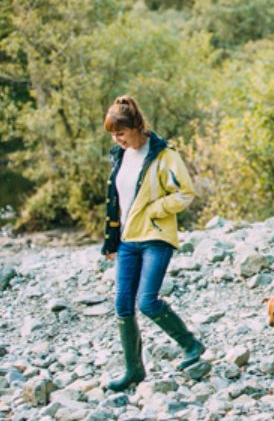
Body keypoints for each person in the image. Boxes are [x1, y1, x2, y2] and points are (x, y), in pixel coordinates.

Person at [101, 96, 204, 392]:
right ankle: (134, 370)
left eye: (120, 133)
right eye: (112, 134)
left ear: (135, 127)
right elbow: (117, 203)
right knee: (122, 304)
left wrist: (155, 210)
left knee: (147, 301)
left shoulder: (163, 154)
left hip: (156, 238)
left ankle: (191, 345)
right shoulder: (119, 156)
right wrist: (111, 241)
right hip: (127, 241)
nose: (116, 139)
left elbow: (186, 193)